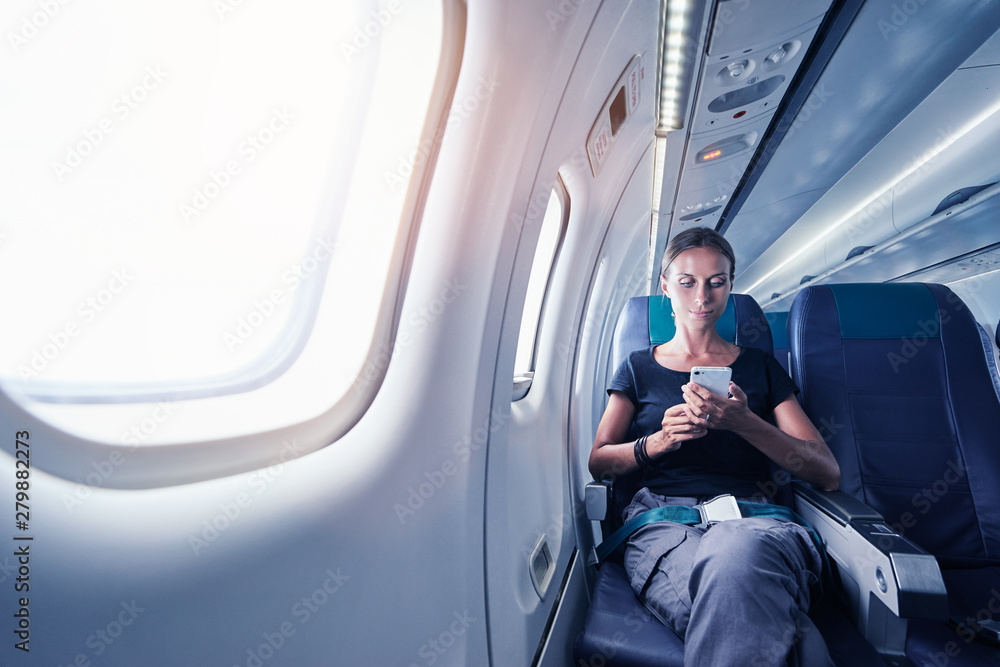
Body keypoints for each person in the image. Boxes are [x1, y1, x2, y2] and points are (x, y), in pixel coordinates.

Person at [588, 227, 840, 667]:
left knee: (735, 559)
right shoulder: (637, 367)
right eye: (687, 281)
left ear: (730, 285)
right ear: (665, 287)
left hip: (755, 521)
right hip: (665, 523)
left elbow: (825, 470)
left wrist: (745, 423)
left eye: (716, 281)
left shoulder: (761, 366)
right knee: (769, 618)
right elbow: (599, 462)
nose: (701, 295)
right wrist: (657, 443)